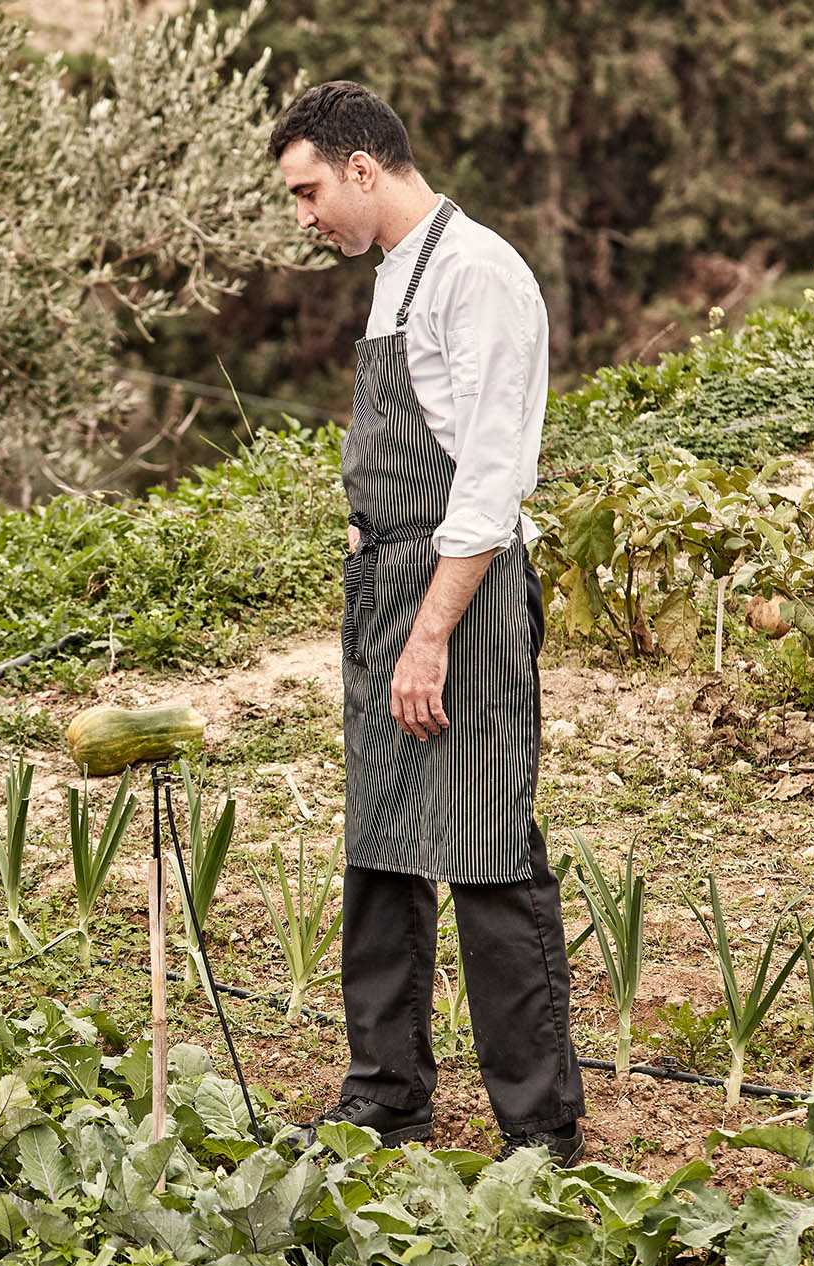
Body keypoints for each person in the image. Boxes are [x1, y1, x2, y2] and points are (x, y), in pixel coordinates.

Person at [268, 82, 584, 1162]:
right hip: (389, 590)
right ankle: (387, 1089)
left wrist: (432, 629)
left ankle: (539, 1125)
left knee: (490, 851)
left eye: (310, 192)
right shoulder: (397, 274)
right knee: (382, 847)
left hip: (468, 595)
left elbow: (491, 481)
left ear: (365, 167)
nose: (304, 216)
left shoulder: (479, 273)